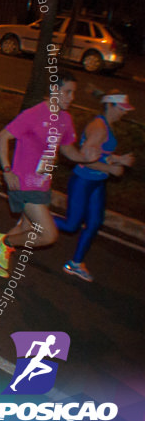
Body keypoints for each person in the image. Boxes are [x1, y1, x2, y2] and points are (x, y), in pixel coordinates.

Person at [0, 70, 99, 278]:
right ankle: (4, 242)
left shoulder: (65, 119)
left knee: (26, 226)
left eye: (73, 93)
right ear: (54, 90)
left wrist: (86, 158)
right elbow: (2, 137)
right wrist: (6, 170)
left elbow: (67, 149)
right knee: (48, 234)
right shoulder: (34, 114)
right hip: (23, 183)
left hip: (42, 184)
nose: (72, 98)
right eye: (68, 92)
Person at [53, 90, 135, 281]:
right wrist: (111, 169)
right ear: (109, 105)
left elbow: (100, 153)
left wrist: (118, 159)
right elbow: (84, 158)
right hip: (83, 181)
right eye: (121, 108)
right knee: (71, 225)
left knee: (95, 223)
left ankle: (76, 263)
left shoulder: (108, 125)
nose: (124, 112)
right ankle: (33, 218)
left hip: (97, 183)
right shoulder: (99, 127)